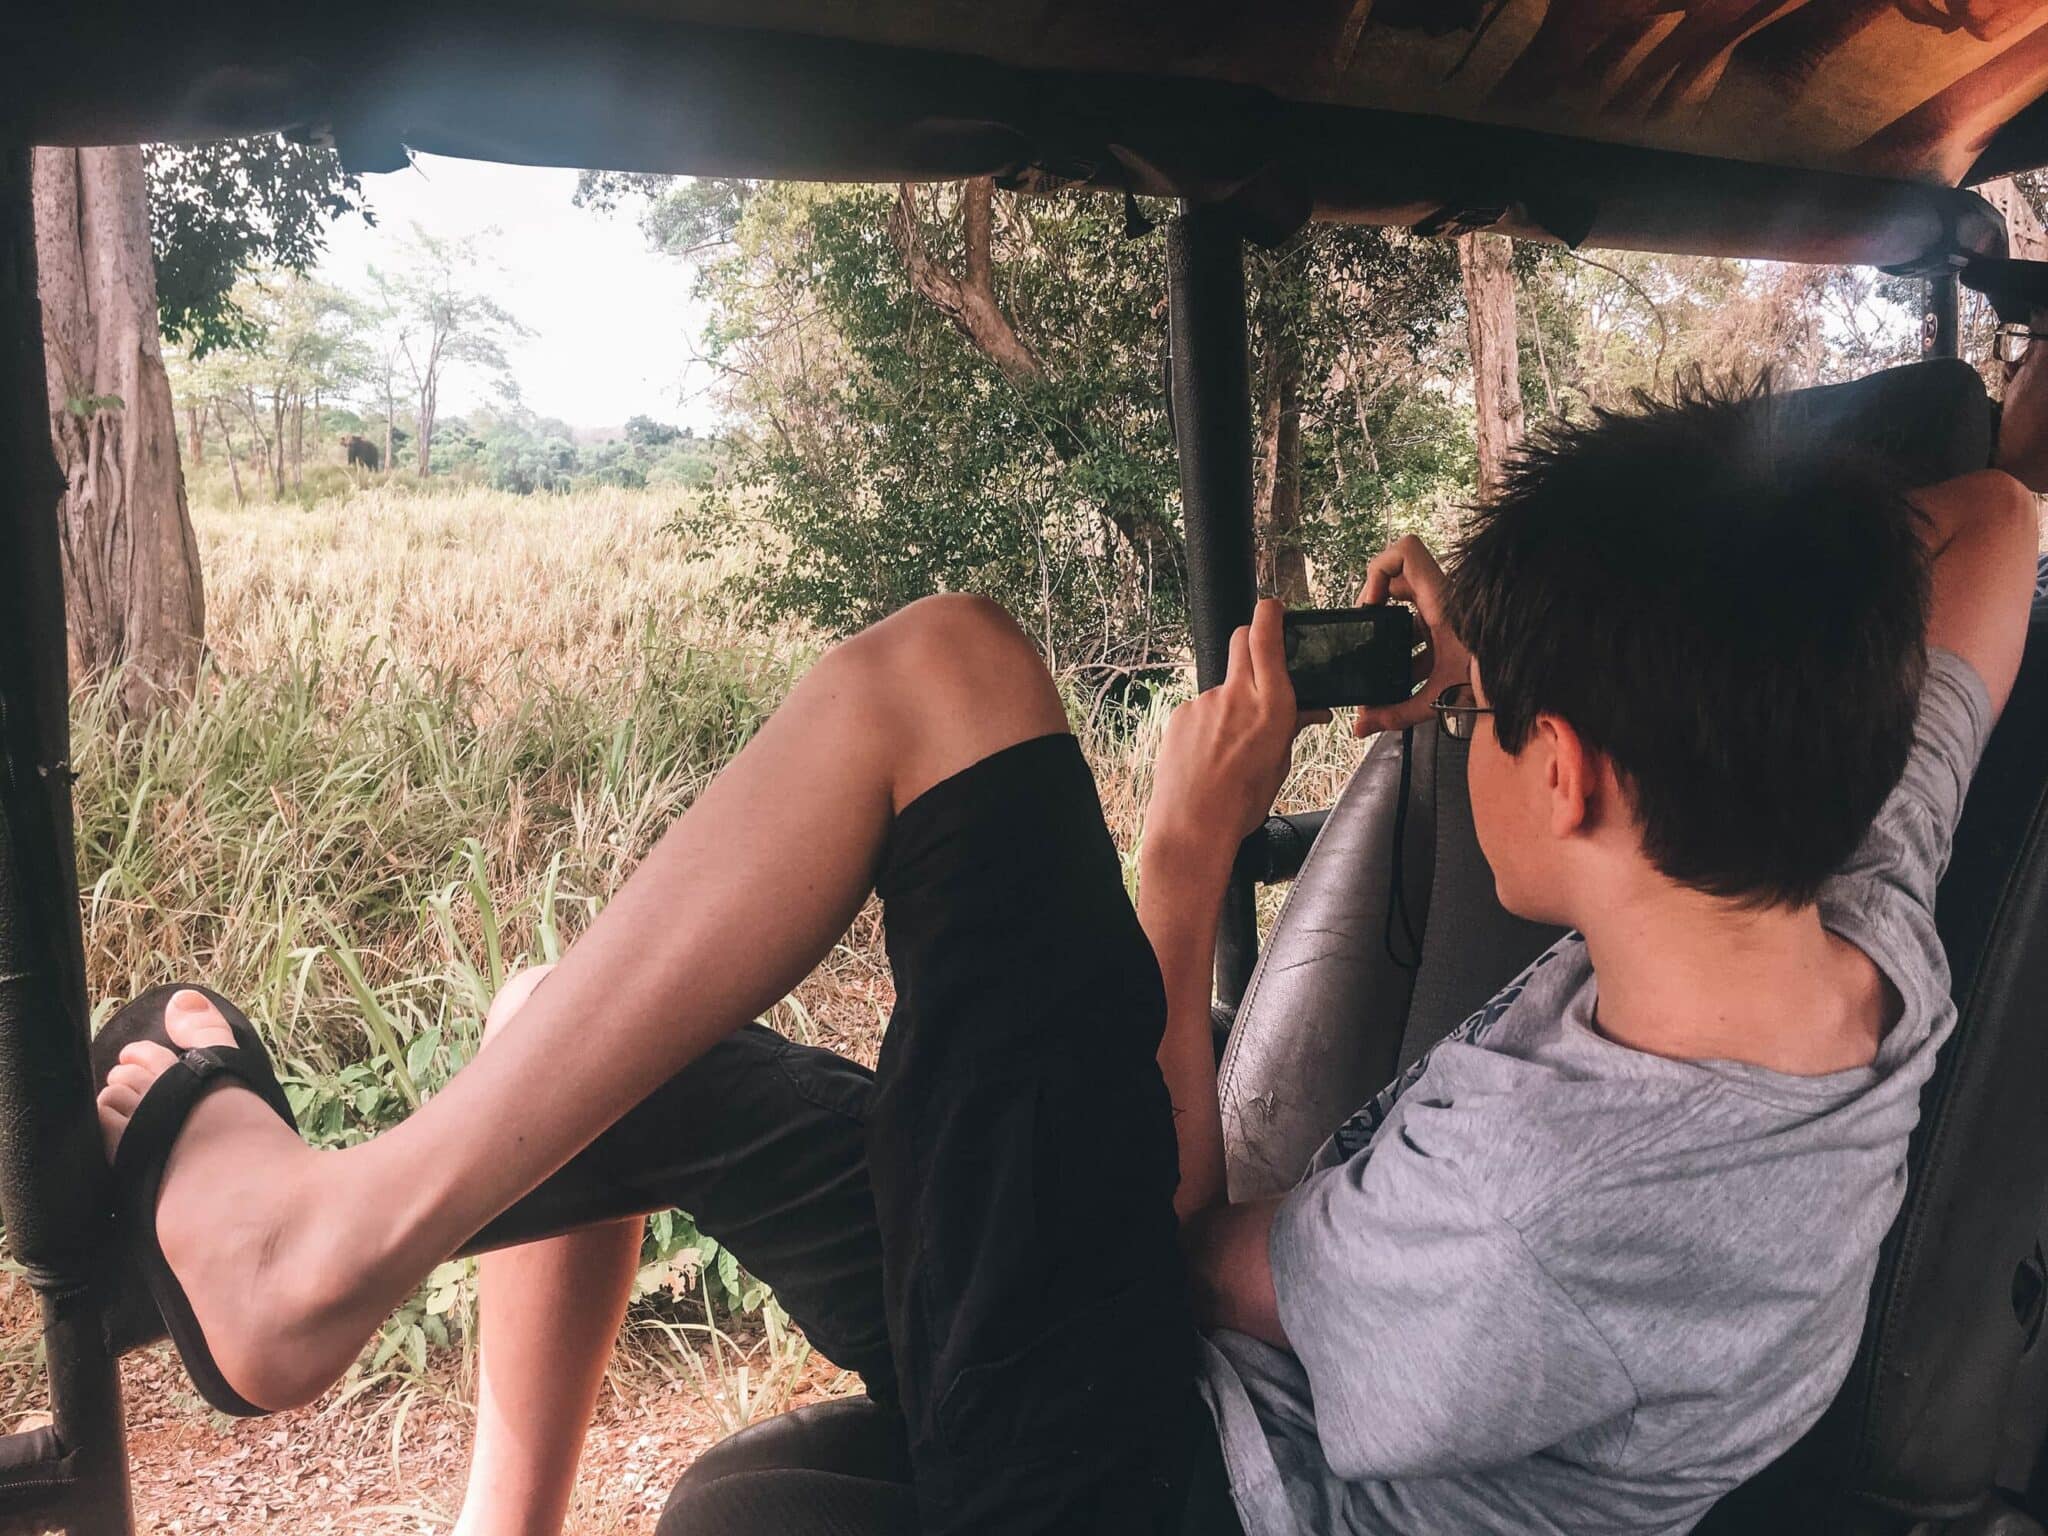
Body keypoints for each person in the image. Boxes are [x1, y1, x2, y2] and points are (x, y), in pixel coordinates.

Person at [95, 352, 2044, 1536]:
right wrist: (1594, 640)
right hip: (1201, 1380)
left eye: (1495, 723)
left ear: (1575, 780)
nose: (1468, 734)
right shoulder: (1861, 889)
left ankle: (306, 1258)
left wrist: (1186, 851)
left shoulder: (1533, 1211)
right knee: (580, 1035)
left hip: (1129, 1488)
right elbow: (1999, 516)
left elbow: (1166, 1230)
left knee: (943, 673)